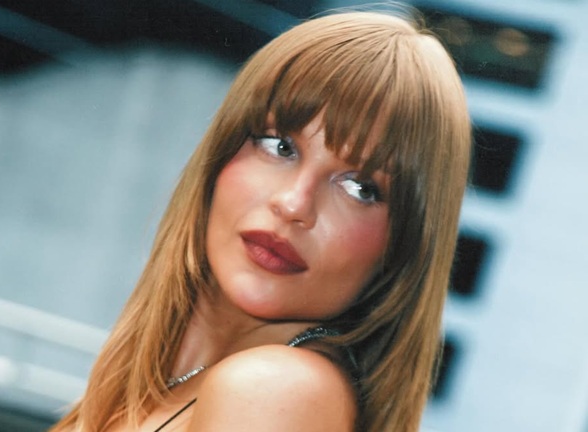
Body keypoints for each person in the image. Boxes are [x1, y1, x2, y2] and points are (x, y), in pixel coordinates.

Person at [50, 9, 471, 432]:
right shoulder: (156, 383)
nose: (293, 204)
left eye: (360, 187)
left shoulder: (273, 392)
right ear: (221, 152)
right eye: (279, 146)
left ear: (400, 248)